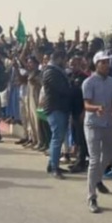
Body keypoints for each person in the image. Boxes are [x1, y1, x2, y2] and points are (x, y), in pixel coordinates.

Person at [83, 51, 112, 213]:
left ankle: (97, 179)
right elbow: (86, 105)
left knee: (108, 156)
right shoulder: (89, 82)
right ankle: (92, 197)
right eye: (102, 62)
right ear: (96, 64)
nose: (106, 65)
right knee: (94, 160)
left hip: (108, 123)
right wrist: (96, 108)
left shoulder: (111, 81)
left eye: (107, 62)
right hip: (93, 124)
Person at [42, 50, 72, 179]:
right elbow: (62, 90)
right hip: (55, 108)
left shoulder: (56, 71)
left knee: (57, 137)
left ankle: (52, 164)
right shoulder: (51, 72)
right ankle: (55, 167)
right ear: (59, 58)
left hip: (60, 108)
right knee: (57, 138)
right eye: (65, 59)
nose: (66, 62)